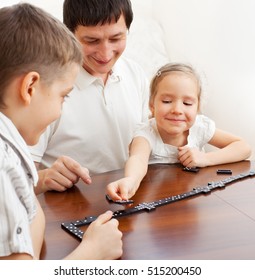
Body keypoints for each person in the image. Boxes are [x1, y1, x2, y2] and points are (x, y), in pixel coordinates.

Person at [0, 3, 122, 260]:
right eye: (63, 96)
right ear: (30, 86)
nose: (60, 109)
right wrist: (92, 253)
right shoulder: (4, 166)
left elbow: (32, 219)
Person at [29, 0, 149, 194]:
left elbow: (147, 142)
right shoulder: (47, 86)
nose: (105, 53)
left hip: (129, 199)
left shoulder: (135, 74)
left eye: (116, 38)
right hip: (68, 210)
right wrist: (44, 178)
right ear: (68, 34)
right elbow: (15, 179)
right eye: (92, 41)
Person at [106, 63, 252, 200]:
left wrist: (206, 159)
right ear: (152, 105)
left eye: (187, 103)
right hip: (158, 201)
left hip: (192, 199)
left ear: (197, 107)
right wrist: (130, 180)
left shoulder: (199, 127)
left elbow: (243, 147)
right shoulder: (146, 134)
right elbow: (138, 159)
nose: (177, 110)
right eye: (167, 101)